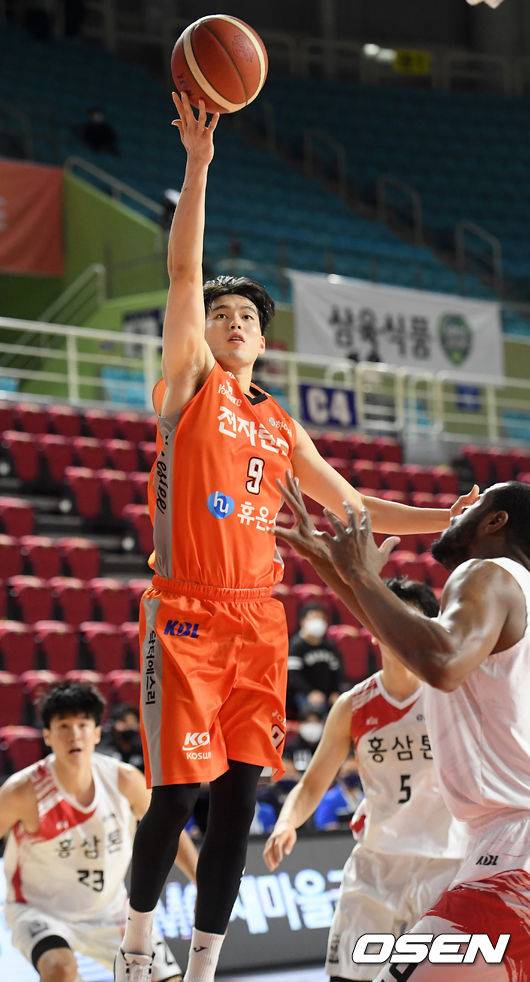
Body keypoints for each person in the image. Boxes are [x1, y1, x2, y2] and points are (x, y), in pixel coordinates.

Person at [115, 88, 479, 982]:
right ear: (204, 332)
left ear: (264, 342)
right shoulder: (189, 385)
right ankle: (134, 948)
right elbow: (181, 274)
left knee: (240, 800)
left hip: (257, 620)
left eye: (247, 317)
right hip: (185, 612)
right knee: (177, 794)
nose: (233, 322)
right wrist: (198, 165)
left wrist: (446, 518)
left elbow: (353, 506)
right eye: (222, 314)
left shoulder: (280, 425)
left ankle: (202, 967)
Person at [277, 474, 530, 979]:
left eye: (471, 508)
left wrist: (360, 573)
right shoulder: (514, 594)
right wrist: (329, 563)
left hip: (511, 851)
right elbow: (407, 642)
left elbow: (440, 660)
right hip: (497, 843)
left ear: (495, 522)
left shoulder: (487, 572)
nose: (455, 514)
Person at [264, 575, 467, 982]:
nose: (396, 629)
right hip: (376, 865)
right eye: (387, 618)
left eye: (407, 621)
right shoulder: (353, 706)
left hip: (446, 864)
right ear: (374, 629)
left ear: (428, 630)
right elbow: (311, 784)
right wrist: (287, 822)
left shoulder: (454, 695)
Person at [0, 681, 197, 982]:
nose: (74, 734)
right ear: (47, 735)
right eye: (63, 726)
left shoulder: (123, 780)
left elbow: (168, 831)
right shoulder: (23, 791)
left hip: (111, 912)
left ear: (96, 733)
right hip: (39, 911)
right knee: (60, 969)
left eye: (83, 725)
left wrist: (200, 880)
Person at [287, 601, 344, 716]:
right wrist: (310, 692)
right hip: (302, 694)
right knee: (314, 709)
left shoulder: (329, 646)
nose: (318, 622)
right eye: (314, 618)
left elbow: (336, 672)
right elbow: (293, 676)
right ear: (303, 621)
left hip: (327, 695)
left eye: (321, 619)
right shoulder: (296, 645)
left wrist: (335, 692)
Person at [99, 702, 144, 770]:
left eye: (132, 723)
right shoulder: (104, 750)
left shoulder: (142, 750)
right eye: (124, 722)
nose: (129, 727)